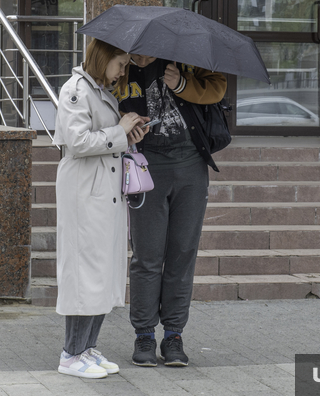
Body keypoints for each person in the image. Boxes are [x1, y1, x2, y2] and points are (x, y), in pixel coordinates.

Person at [115, 56, 226, 368]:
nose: (143, 57)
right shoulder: (121, 65)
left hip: (191, 167)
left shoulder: (185, 57)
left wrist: (181, 83)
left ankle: (174, 335)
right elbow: (104, 106)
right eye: (138, 51)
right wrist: (122, 129)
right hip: (145, 168)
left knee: (182, 253)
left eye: (148, 51)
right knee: (146, 255)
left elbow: (217, 88)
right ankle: (145, 334)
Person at [52, 39, 148, 379]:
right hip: (85, 192)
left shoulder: (100, 90)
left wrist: (128, 134)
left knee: (101, 273)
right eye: (120, 63)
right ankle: (71, 354)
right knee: (84, 274)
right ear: (103, 57)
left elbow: (104, 137)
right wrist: (119, 130)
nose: (124, 70)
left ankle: (87, 347)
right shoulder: (76, 90)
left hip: (102, 193)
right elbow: (77, 142)